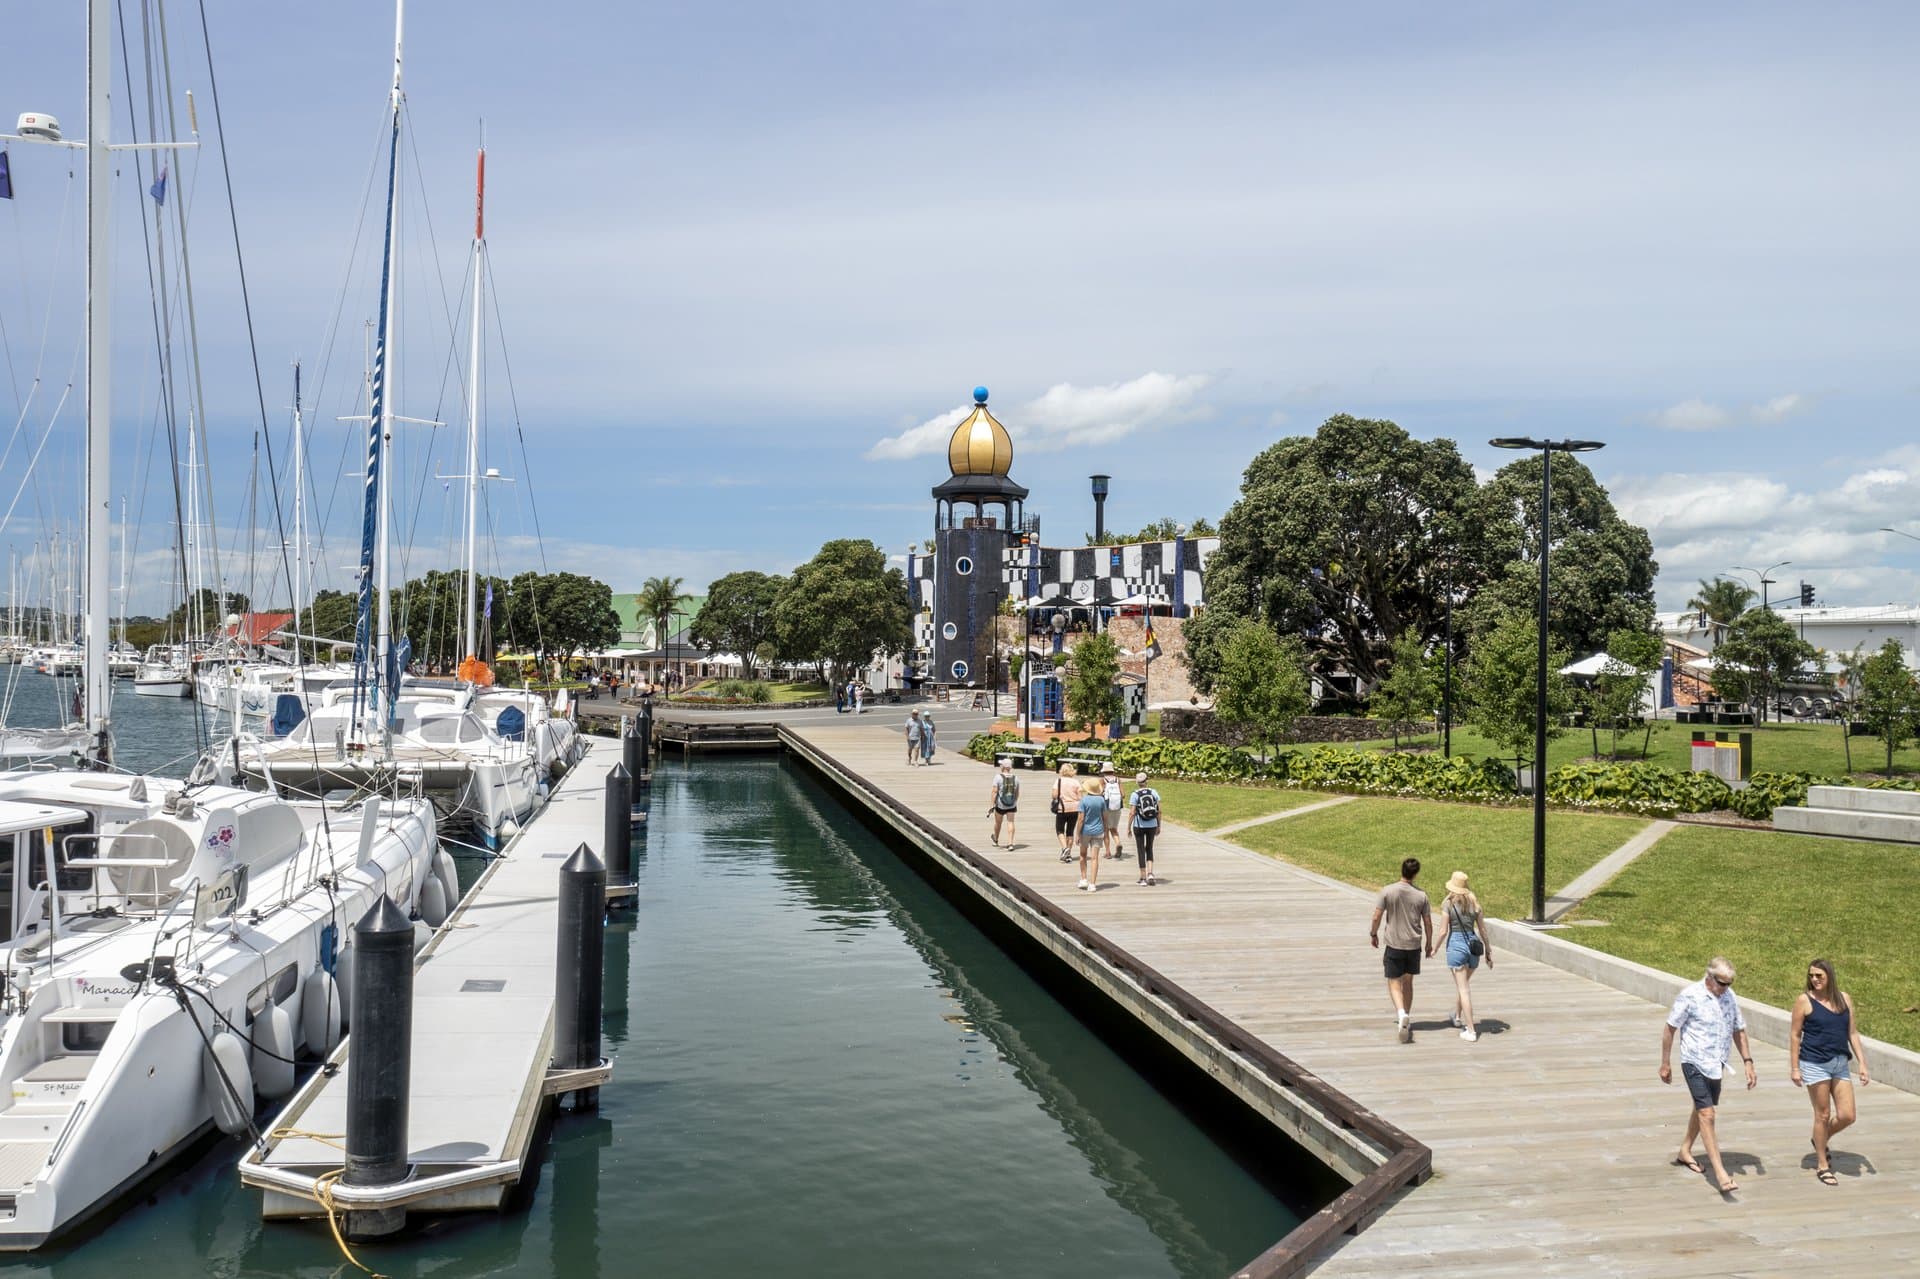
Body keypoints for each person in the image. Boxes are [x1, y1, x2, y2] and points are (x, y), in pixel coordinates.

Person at [1661, 956, 1757, 1194]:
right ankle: (1721, 1174)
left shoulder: (1729, 997)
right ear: (1709, 976)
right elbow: (1670, 1028)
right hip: (1693, 1060)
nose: (1726, 988)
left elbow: (1739, 1029)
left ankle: (1685, 1150)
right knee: (1707, 1113)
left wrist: (1748, 1061)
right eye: (1722, 983)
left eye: (1730, 984)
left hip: (1717, 1063)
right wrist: (1665, 1063)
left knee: (1701, 1108)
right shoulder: (1690, 995)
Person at [1791, 958, 1871, 1187]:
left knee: (1848, 1115)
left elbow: (1852, 1033)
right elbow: (1795, 1035)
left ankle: (1820, 1138)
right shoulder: (1804, 1001)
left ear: (1829, 977)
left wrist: (1862, 1064)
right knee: (1823, 1114)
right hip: (1814, 1063)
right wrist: (1795, 1067)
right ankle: (1822, 1164)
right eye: (1812, 976)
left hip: (1839, 1063)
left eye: (1819, 976)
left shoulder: (1844, 999)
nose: (1814, 979)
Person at [1369, 857, 1433, 1044]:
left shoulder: (1388, 891)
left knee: (1393, 981)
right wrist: (1429, 943)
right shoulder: (1422, 895)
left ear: (1402, 870)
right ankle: (1407, 1017)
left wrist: (1373, 933)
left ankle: (1401, 1013)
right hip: (1413, 945)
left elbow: (1377, 916)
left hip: (1394, 944)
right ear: (1416, 873)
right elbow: (1428, 922)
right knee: (1408, 982)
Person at [1439, 871, 1492, 1041]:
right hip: (1473, 947)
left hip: (1456, 946)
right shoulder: (1475, 904)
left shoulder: (1448, 904)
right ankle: (1456, 1016)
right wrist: (1488, 951)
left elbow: (1443, 931)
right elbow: (1483, 930)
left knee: (1464, 989)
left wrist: (1434, 948)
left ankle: (1471, 1030)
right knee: (1463, 985)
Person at [1124, 771, 1160, 885]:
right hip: (1152, 824)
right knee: (1149, 848)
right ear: (1147, 781)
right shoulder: (1153, 792)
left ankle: (1143, 878)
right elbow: (1159, 810)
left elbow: (1132, 812)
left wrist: (1128, 827)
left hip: (1139, 825)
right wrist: (1159, 825)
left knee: (1140, 850)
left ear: (1137, 782)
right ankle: (1150, 873)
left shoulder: (1135, 794)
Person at [1075, 771, 1107, 891]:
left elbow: (1081, 819)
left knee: (1083, 855)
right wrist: (1105, 830)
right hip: (1098, 831)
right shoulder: (1101, 800)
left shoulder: (1084, 801)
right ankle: (1093, 884)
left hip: (1085, 831)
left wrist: (1077, 834)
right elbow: (1105, 817)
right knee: (1095, 858)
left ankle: (1084, 879)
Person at [1051, 764, 1082, 863]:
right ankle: (1068, 855)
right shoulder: (1076, 782)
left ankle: (1065, 849)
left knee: (1059, 830)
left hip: (1062, 808)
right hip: (1074, 808)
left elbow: (1054, 795)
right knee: (1070, 832)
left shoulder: (1058, 781)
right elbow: (1080, 797)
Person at [989, 761, 1020, 848]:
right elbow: (1017, 793)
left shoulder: (998, 777)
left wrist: (992, 805)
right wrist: (1014, 801)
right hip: (1012, 804)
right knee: (1011, 822)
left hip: (1000, 804)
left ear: (1003, 767)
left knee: (998, 822)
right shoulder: (1015, 778)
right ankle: (1010, 843)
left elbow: (994, 792)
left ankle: (995, 839)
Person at [1099, 765, 1124, 858]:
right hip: (1117, 807)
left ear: (1104, 771)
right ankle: (1118, 843)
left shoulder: (1102, 780)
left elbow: (1100, 793)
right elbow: (1123, 795)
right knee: (1114, 828)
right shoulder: (1118, 780)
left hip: (1106, 807)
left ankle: (1108, 852)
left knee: (1105, 830)